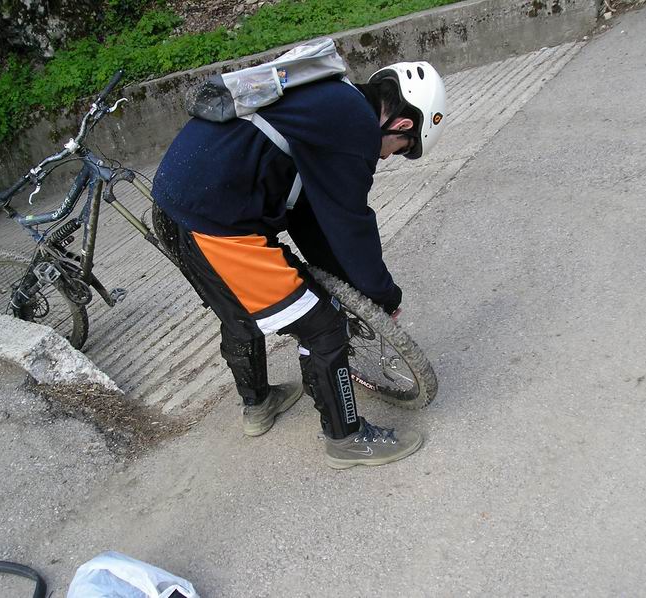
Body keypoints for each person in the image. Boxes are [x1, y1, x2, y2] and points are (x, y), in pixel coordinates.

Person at [151, 61, 447, 469]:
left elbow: (308, 216)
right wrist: (382, 295)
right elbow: (348, 222)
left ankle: (259, 404)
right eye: (401, 148)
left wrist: (349, 283)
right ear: (402, 124)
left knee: (240, 305)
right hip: (215, 224)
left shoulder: (329, 100)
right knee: (323, 325)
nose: (390, 156)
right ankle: (347, 440)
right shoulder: (356, 126)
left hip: (177, 206)